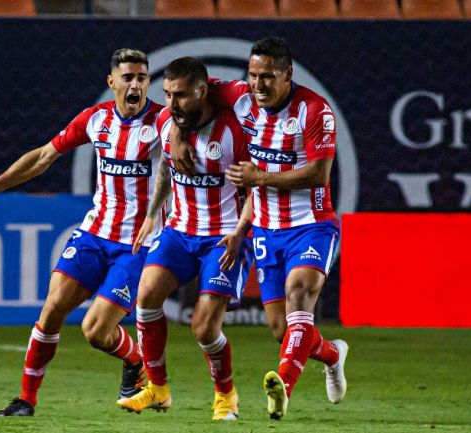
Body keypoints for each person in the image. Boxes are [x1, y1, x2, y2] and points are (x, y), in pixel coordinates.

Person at [0, 48, 165, 417]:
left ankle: (134, 362)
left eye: (142, 77)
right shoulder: (96, 119)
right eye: (128, 77)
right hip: (93, 235)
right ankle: (26, 399)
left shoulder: (164, 122)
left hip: (137, 245)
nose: (136, 84)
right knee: (51, 308)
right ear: (111, 81)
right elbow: (42, 157)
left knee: (96, 332)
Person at [168, 37, 349, 420]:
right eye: (252, 76)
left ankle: (283, 385)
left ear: (288, 75)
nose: (258, 85)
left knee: (300, 296)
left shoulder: (315, 112)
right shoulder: (240, 97)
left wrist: (260, 176)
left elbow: (319, 175)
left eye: (267, 77)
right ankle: (332, 354)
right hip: (265, 229)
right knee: (282, 331)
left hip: (311, 225)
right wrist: (177, 133)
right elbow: (185, 93)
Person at [115, 57, 252, 421]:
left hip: (223, 237)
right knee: (146, 296)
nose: (171, 104)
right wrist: (151, 214)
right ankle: (157, 389)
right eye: (167, 95)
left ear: (203, 92)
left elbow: (257, 187)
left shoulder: (235, 131)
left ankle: (226, 397)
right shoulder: (166, 122)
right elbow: (164, 167)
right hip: (179, 230)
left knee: (205, 328)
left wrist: (241, 232)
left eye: (180, 96)